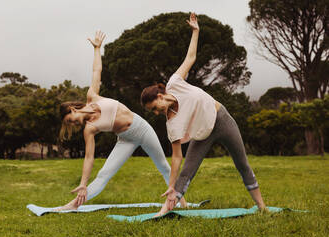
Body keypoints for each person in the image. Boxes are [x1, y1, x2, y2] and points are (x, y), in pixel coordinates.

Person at [140, 13, 266, 216]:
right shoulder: (171, 124)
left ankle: (262, 207)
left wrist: (196, 31)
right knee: (187, 173)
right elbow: (176, 158)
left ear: (161, 94)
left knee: (242, 164)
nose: (157, 112)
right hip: (202, 135)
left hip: (222, 120)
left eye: (155, 106)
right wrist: (171, 185)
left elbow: (191, 58)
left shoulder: (175, 83)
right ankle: (165, 210)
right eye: (153, 111)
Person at [56, 31, 187, 210]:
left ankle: (183, 203)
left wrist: (97, 49)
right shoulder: (89, 129)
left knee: (164, 166)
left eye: (70, 120)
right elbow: (88, 157)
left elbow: (96, 71)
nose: (73, 124)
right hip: (126, 138)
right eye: (70, 124)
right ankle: (74, 205)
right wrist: (83, 182)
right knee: (104, 174)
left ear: (72, 109)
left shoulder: (92, 96)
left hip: (141, 128)